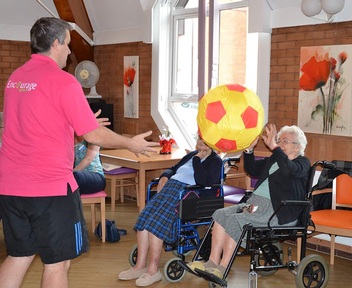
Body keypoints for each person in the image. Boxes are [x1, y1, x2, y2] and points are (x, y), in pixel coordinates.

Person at [0, 17, 158, 288]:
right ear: (56, 42)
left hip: (11, 186)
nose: (70, 52)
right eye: (68, 45)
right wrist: (130, 143)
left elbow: (37, 126)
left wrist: (79, 122)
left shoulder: (16, 78)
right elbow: (93, 135)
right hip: (49, 189)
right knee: (58, 262)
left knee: (19, 254)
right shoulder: (64, 81)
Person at [186, 124, 310, 280]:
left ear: (297, 147)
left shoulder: (303, 163)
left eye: (284, 141)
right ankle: (212, 262)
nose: (279, 144)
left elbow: (288, 170)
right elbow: (252, 170)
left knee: (237, 219)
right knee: (220, 214)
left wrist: (274, 148)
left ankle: (222, 268)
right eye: (279, 141)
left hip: (277, 210)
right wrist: (249, 150)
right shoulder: (275, 158)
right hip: (255, 204)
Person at [118, 137, 223, 287]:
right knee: (143, 219)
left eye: (203, 139)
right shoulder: (192, 154)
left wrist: (197, 161)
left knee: (156, 224)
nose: (199, 140)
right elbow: (173, 168)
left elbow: (204, 182)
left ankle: (153, 271)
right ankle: (139, 267)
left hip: (186, 193)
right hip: (170, 188)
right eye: (198, 137)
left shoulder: (215, 161)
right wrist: (165, 176)